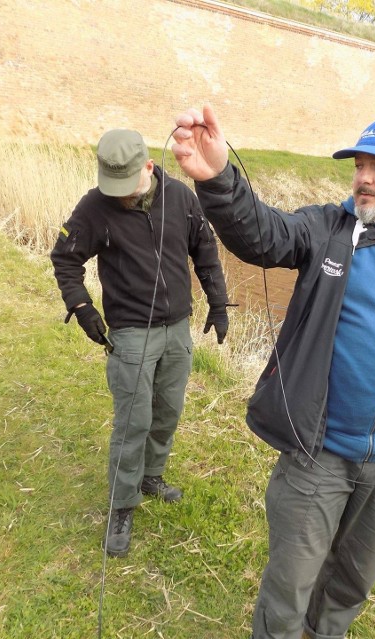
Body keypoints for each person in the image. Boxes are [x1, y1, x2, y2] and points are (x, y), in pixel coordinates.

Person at [171, 106, 375, 639]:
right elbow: (263, 235)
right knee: (289, 587)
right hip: (318, 453)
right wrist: (218, 179)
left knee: (350, 584)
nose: (363, 177)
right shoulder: (327, 230)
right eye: (358, 165)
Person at [50, 128, 231, 558]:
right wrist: (82, 308)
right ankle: (122, 504)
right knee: (133, 421)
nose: (118, 195)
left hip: (177, 330)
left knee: (167, 412)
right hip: (130, 333)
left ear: (148, 166)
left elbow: (205, 252)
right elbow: (65, 257)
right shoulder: (94, 207)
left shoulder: (183, 199)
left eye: (125, 186)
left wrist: (219, 304)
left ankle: (152, 476)